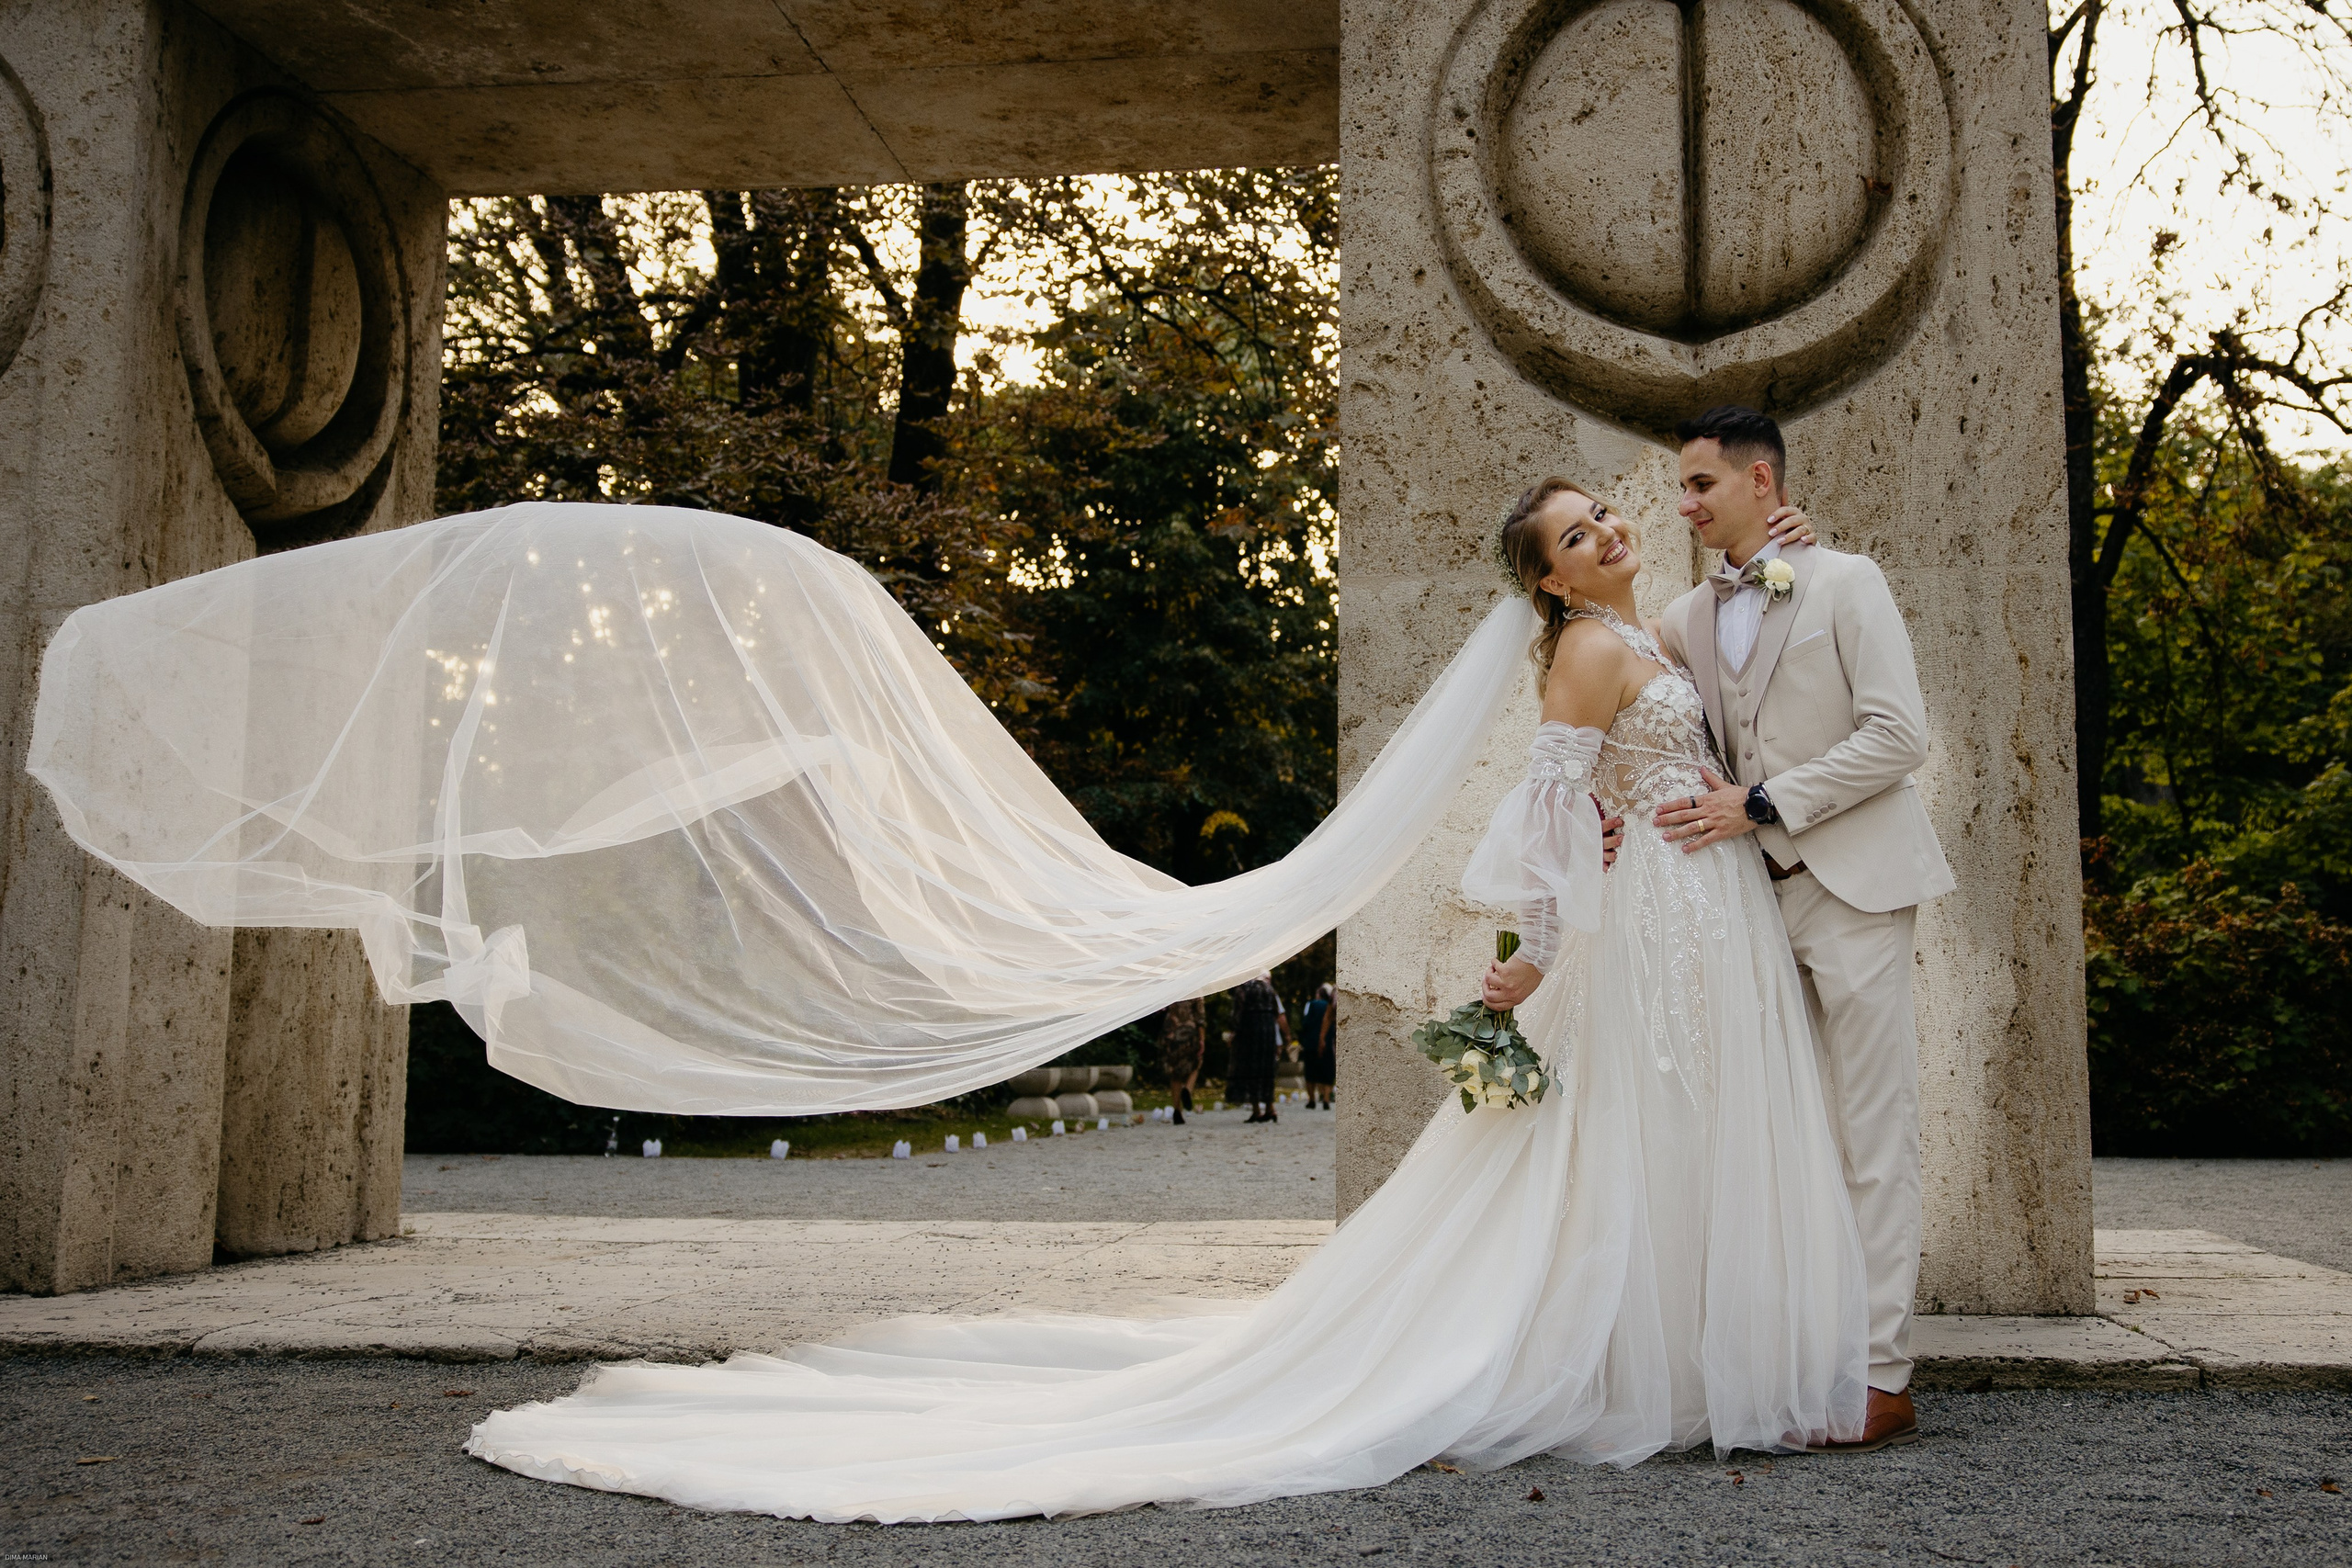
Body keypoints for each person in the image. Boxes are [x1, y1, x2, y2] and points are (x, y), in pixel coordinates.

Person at [29, 491, 1851, 1523]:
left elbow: (1650, 752)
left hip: (1668, 917)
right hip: (1644, 927)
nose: (1611, 525)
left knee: (1609, 1149)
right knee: (1607, 1143)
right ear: (1548, 576)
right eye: (1581, 524)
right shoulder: (1598, 650)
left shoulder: (1642, 631)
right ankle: (1637, 1362)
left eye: (1611, 510)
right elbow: (1552, 809)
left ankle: (1654, 1354)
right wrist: (1525, 957)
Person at [1649, 406, 1954, 1453]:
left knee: (1873, 1133)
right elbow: (1633, 719)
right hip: (1747, 900)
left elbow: (1897, 735)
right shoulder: (1687, 617)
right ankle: (1791, 1356)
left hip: (1855, 881)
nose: (1683, 505)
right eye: (1682, 487)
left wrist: (1766, 802)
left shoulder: (1845, 581)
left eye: (1699, 485)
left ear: (1760, 481)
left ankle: (1880, 1377)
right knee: (1779, 1136)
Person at [1231, 973, 1286, 1123]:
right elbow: (1276, 1011)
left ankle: (1256, 1110)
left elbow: (1238, 1013)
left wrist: (1234, 1032)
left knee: (1251, 1068)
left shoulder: (1244, 988)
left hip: (1250, 1030)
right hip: (1268, 1030)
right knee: (1268, 1069)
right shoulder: (1268, 988)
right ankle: (1270, 1107)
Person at [1158, 996, 1206, 1124]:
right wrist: (1202, 1039)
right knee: (1196, 1064)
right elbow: (1200, 1018)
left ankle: (1177, 1110)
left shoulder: (1174, 987)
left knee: (1175, 1072)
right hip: (1189, 1032)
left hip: (1171, 1031)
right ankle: (1188, 1090)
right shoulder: (1197, 992)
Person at [1299, 982, 1336, 1109]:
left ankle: (1312, 1099)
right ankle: (1326, 1098)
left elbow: (1305, 1022)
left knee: (1310, 1072)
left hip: (1311, 1042)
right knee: (1327, 1071)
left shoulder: (1311, 1005)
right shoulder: (1331, 1005)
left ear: (1319, 994)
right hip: (1328, 1041)